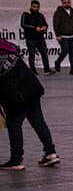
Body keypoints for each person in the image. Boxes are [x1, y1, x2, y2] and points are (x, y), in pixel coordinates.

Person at [0, 36, 60, 170]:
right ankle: (50, 153)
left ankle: (16, 160)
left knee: (14, 123)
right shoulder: (6, 45)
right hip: (31, 87)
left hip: (16, 94)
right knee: (38, 120)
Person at [52, 0, 73, 75]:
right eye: (64, 3)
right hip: (63, 36)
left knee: (72, 52)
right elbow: (56, 24)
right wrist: (58, 35)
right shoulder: (58, 12)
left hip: (72, 36)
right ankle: (58, 62)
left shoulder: (72, 11)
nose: (66, 4)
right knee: (65, 50)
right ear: (62, 3)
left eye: (68, 2)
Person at [20, 0, 51, 75]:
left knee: (44, 53)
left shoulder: (40, 15)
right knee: (32, 54)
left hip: (40, 38)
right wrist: (34, 28)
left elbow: (45, 24)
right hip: (30, 38)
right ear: (31, 6)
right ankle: (33, 70)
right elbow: (23, 25)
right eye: (34, 7)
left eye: (37, 7)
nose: (35, 8)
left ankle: (47, 69)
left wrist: (45, 27)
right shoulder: (26, 14)